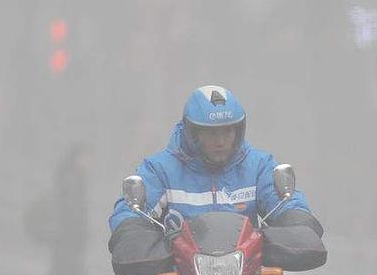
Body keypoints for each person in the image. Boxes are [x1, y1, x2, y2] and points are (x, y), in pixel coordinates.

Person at [109, 84, 323, 237]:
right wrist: (131, 231)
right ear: (192, 133)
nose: (221, 141)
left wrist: (298, 220)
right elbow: (132, 210)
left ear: (239, 131)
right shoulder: (159, 170)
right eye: (211, 134)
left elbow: (285, 201)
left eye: (228, 132)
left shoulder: (259, 166)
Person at [26, 143, 111, 275]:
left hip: (65, 246)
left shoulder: (69, 179)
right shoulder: (71, 180)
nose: (90, 163)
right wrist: (79, 237)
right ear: (77, 158)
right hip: (66, 246)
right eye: (87, 158)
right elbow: (72, 215)